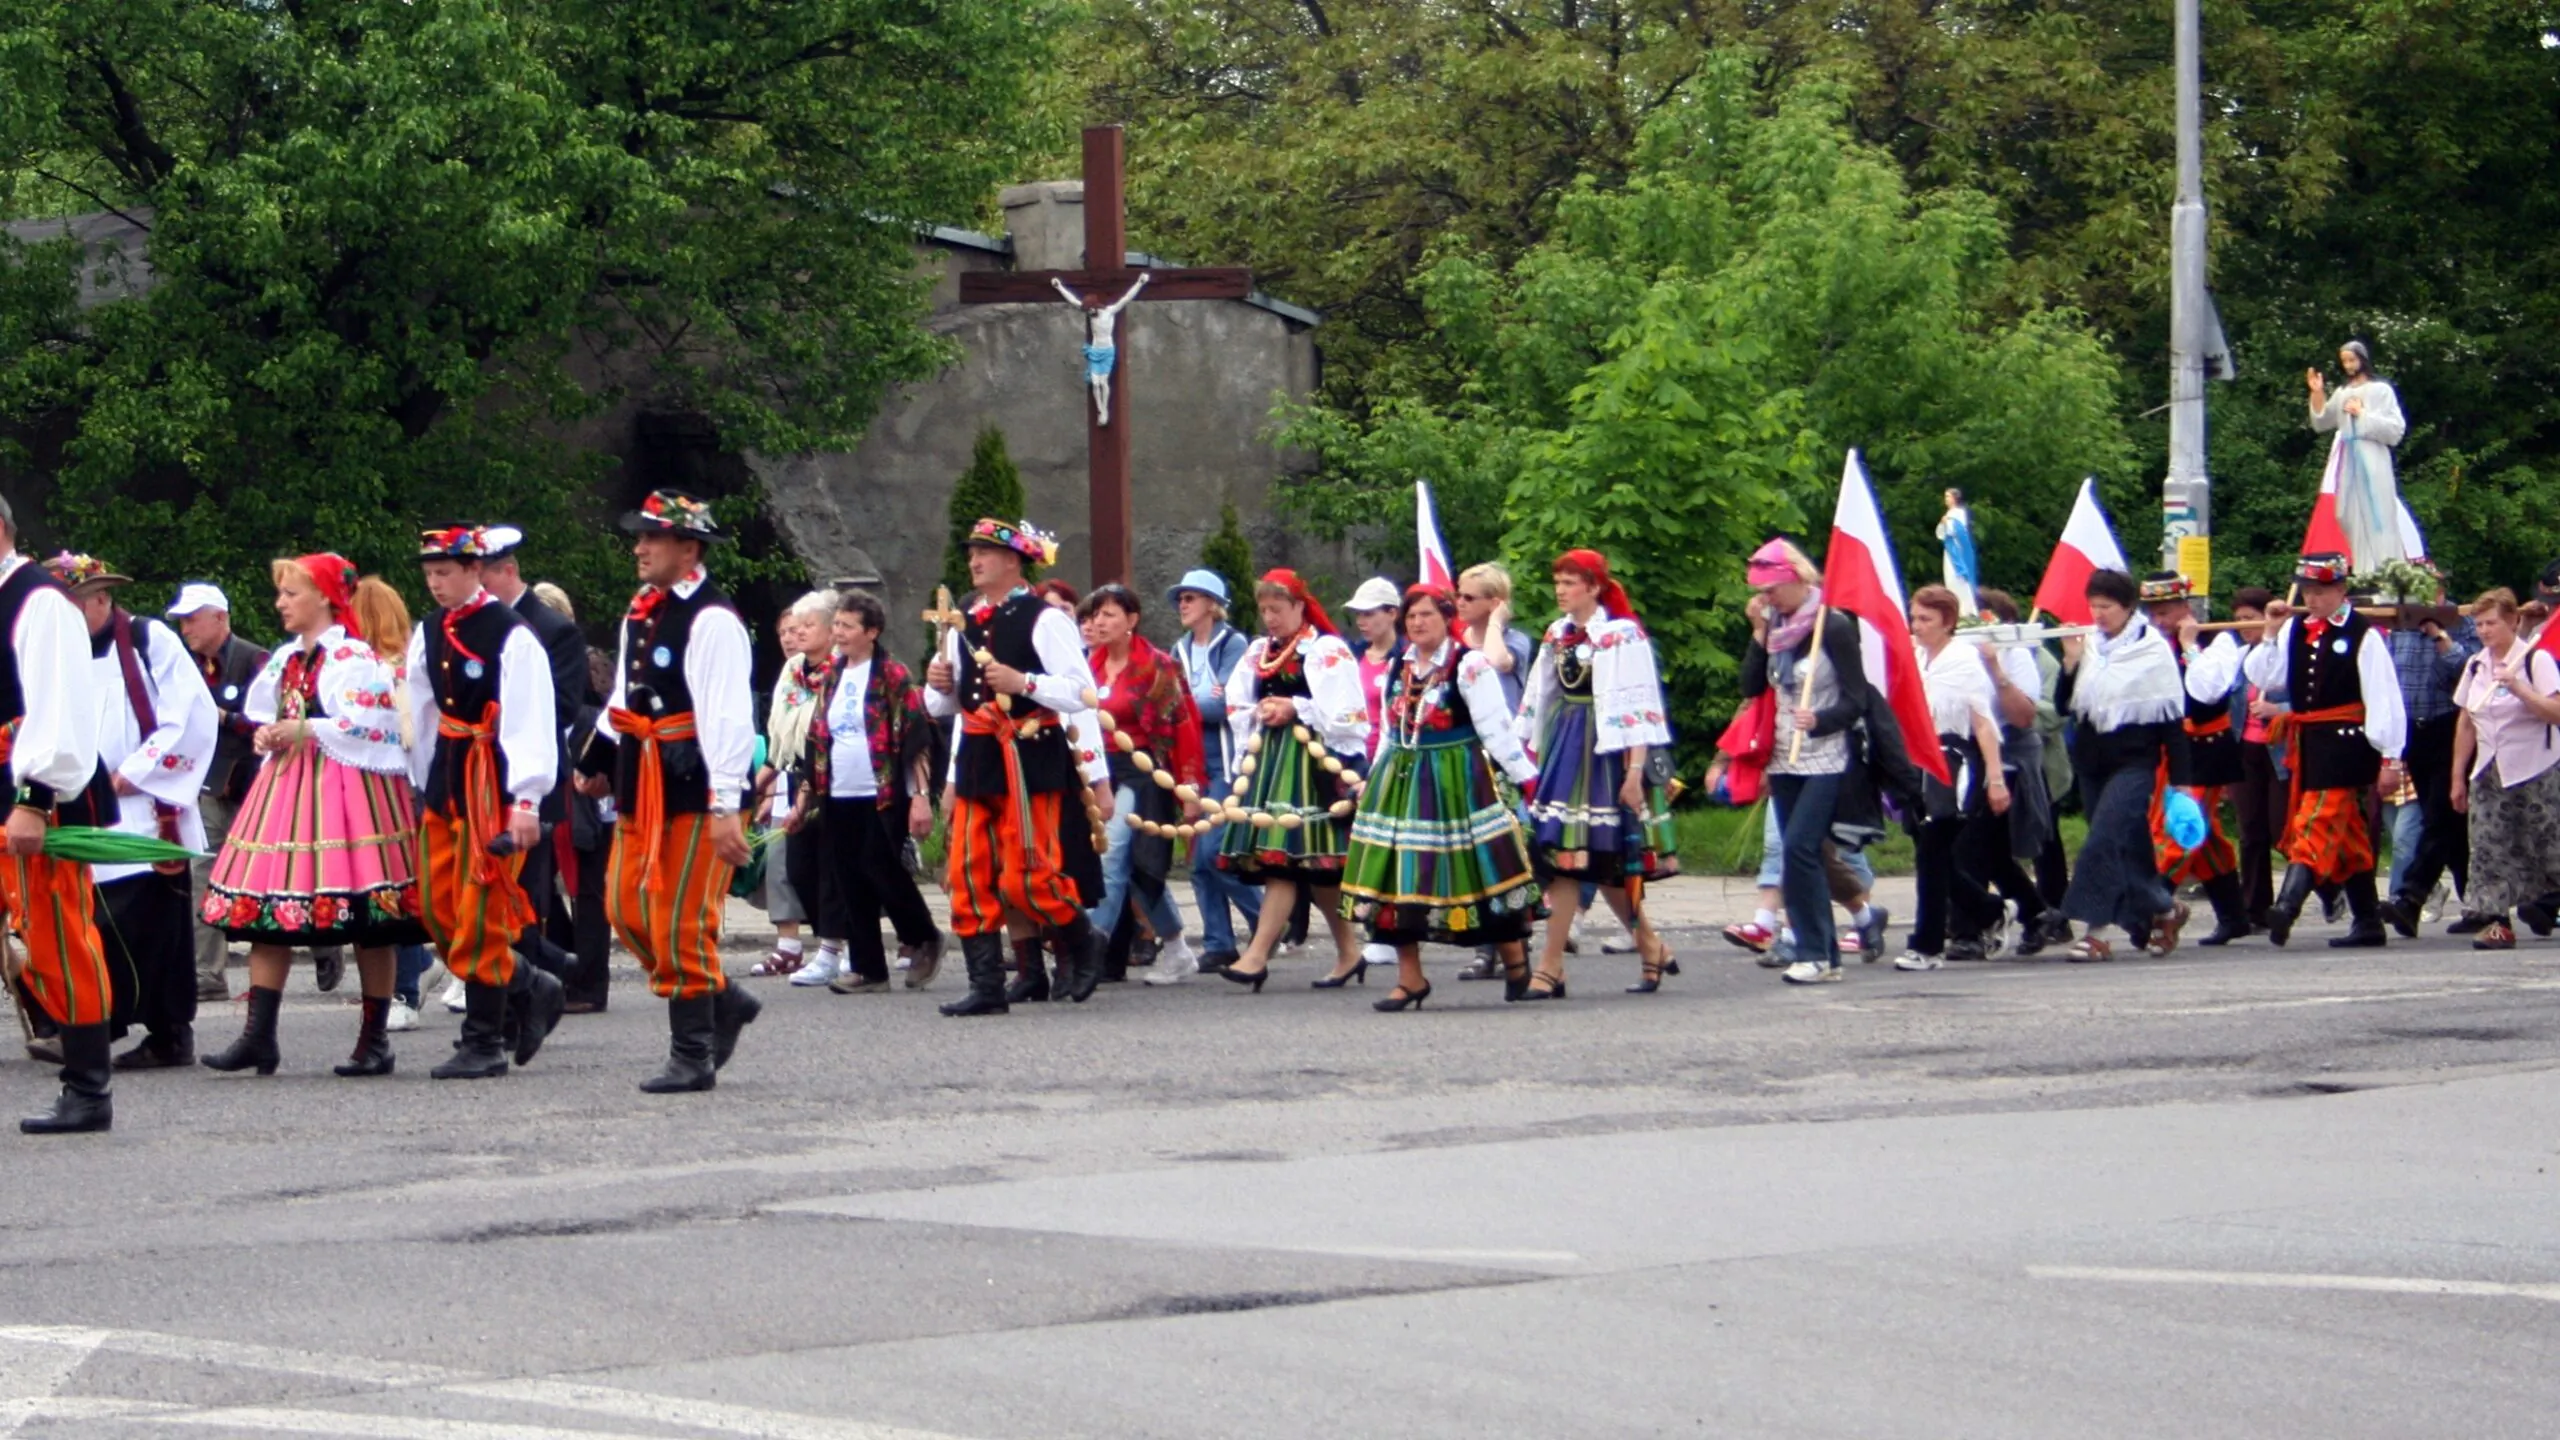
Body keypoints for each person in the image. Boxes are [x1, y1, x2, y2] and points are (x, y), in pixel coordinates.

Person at [199, 553, 429, 1077]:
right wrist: (268, 731)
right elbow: (270, 711)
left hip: (348, 790)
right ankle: (259, 1036)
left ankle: (374, 1041)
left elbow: (371, 725)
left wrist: (304, 730)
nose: (280, 603)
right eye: (281, 593)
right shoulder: (288, 658)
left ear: (325, 597)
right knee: (269, 908)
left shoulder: (352, 657)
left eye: (291, 593)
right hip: (290, 788)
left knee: (371, 916)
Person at [572, 489, 760, 1089]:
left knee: (680, 921)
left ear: (689, 548)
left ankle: (693, 1053)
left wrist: (726, 804)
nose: (640, 547)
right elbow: (626, 699)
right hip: (640, 779)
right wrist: (596, 755)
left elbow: (728, 717)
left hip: (691, 786)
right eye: (641, 535)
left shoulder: (712, 620)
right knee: (625, 910)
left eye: (653, 537)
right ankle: (721, 996)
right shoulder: (642, 609)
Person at [923, 518, 1109, 1014]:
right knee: (967, 872)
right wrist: (937, 684)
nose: (974, 561)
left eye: (984, 552)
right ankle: (985, 986)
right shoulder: (962, 615)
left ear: (1013, 560)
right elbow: (945, 708)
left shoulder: (1044, 619)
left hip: (1030, 755)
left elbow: (1079, 692)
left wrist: (1023, 681)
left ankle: (1083, 937)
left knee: (1026, 875)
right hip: (980, 755)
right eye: (971, 552)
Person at [402, 526, 565, 1080]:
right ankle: (529, 982)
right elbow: (420, 709)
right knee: (438, 908)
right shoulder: (429, 630)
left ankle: (484, 1040)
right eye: (429, 575)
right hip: (448, 778)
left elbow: (528, 718)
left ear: (476, 570)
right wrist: (419, 776)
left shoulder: (511, 634)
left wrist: (526, 799)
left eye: (445, 573)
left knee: (479, 913)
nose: (436, 584)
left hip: (491, 784)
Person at [46, 554, 215, 1073]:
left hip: (143, 809)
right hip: (81, 807)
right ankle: (93, 1023)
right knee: (89, 921)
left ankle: (167, 1033)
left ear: (101, 598)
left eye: (72, 607)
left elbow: (189, 714)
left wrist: (133, 774)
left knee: (151, 927)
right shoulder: (55, 654)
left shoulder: (147, 640)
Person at [1340, 584, 1543, 1008]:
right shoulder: (1399, 667)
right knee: (1395, 879)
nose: (1417, 623)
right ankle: (1410, 978)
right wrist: (1371, 780)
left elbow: (1495, 727)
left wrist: (1528, 780)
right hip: (1400, 785)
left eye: (1427, 614)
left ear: (1446, 618)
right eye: (1411, 615)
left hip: (1458, 784)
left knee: (1483, 874)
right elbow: (1387, 733)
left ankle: (1514, 959)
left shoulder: (1467, 665)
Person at [1, 504, 122, 1133]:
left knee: (55, 937)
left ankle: (88, 1088)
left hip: (28, 793)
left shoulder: (39, 601)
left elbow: (58, 706)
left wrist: (35, 798)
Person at [1517, 549, 1678, 997]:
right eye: (1559, 583)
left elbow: (1639, 705)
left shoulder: (1621, 635)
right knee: (1579, 858)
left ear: (1593, 587)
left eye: (1569, 583)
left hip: (1606, 753)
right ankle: (1649, 947)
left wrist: (1634, 772)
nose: (1561, 591)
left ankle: (1551, 968)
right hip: (1568, 744)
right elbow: (1540, 694)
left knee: (1585, 857)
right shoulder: (1558, 633)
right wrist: (1524, 751)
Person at [1213, 569, 1369, 989]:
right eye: (1264, 610)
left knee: (1284, 860)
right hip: (1273, 761)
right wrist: (1260, 712)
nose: (1269, 617)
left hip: (1309, 765)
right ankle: (1350, 952)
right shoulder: (1261, 650)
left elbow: (1349, 715)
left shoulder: (1325, 649)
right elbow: (1237, 700)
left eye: (1277, 609)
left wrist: (1296, 708)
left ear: (1300, 607)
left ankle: (1256, 956)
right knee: (1316, 869)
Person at [2244, 553, 2409, 947]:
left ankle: (2287, 906)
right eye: (2307, 591)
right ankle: (2368, 920)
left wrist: (2391, 756)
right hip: (2311, 745)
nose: (2312, 599)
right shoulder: (2295, 630)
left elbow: (2384, 698)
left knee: (2314, 822)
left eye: (2320, 591)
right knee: (2348, 836)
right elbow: (2264, 676)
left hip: (2349, 747)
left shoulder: (2363, 634)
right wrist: (2269, 631)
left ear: (2341, 589)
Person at [1739, 540, 1885, 985]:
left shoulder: (1833, 627)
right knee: (1802, 854)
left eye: (1773, 590)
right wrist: (1759, 634)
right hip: (1784, 756)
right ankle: (1825, 955)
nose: (1768, 599)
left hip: (1826, 755)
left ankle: (1813, 951)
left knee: (1802, 846)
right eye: (1762, 593)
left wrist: (1820, 718)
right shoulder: (1777, 630)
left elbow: (1858, 698)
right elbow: (1750, 685)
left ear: (1799, 581)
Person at [2052, 569, 2193, 962]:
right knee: (2128, 849)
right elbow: (2065, 705)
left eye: (2106, 607)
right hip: (2093, 759)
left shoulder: (2153, 650)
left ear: (2128, 607)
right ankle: (2166, 910)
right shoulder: (2091, 647)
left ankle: (2095, 932)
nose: (2098, 615)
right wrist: (2071, 664)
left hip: (2135, 761)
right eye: (2093, 606)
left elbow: (2171, 718)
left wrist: (2182, 782)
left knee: (2102, 840)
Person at [1077, 584, 1207, 985]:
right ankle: (1176, 947)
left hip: (1143, 772)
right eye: (1096, 614)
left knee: (1112, 856)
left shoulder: (1158, 666)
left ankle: (1088, 952)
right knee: (1138, 871)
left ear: (1132, 620)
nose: (1100, 621)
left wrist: (1189, 788)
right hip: (1097, 772)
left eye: (1110, 614)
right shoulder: (1087, 664)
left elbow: (1184, 727)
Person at [815, 589, 943, 993]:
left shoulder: (892, 675)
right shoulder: (833, 673)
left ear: (872, 631)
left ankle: (923, 934)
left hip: (881, 790)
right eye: (836, 624)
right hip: (837, 791)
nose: (838, 633)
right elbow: (818, 734)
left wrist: (919, 796)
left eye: (847, 626)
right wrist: (807, 791)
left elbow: (915, 738)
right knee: (849, 877)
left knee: (880, 867)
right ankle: (869, 969)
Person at [476, 527, 588, 987]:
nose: (477, 591)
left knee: (524, 889)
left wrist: (486, 720)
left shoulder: (551, 628)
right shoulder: (477, 623)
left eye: (483, 578)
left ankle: (528, 984)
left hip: (528, 774)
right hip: (478, 774)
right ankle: (528, 975)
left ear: (509, 571)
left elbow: (561, 705)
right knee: (486, 886)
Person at [1892, 585, 2014, 971]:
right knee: (1932, 853)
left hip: (1953, 758)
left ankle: (1926, 945)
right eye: (1914, 618)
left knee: (1932, 848)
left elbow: (1982, 720)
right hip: (1917, 761)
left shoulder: (1964, 661)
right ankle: (1990, 908)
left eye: (1926, 619)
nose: (1917, 626)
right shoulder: (1912, 657)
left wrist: (1995, 778)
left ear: (1947, 622)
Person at [169, 583, 273, 1002]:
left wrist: (224, 718)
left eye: (193, 618)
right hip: (210, 785)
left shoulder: (255, 659)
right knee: (203, 873)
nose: (185, 627)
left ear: (220, 617)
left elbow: (271, 722)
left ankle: (321, 946)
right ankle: (207, 971)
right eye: (182, 620)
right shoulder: (185, 664)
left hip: (256, 785)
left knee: (270, 876)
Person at [2145, 573, 2255, 947]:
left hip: (2205, 747)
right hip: (2172, 747)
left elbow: (2209, 690)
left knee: (2181, 827)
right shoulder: (2153, 644)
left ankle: (2152, 905)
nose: (2160, 621)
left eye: (2165, 612)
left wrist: (2189, 645)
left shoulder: (2218, 640)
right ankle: (2233, 915)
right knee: (2207, 840)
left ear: (2184, 606)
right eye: (2154, 614)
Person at [2449, 589, 2560, 950]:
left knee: (2547, 845)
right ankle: (2496, 921)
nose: (2484, 630)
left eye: (2491, 622)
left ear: (2512, 621)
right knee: (2487, 846)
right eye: (2478, 624)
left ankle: (2547, 904)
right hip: (2489, 769)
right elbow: (2467, 720)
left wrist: (2519, 689)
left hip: (2535, 767)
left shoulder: (2534, 660)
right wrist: (2458, 775)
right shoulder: (2476, 665)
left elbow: (2554, 712)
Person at [2378, 573, 2479, 938]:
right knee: (2451, 827)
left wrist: (2438, 636)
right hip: (2412, 734)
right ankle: (2478, 904)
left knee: (2438, 817)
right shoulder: (2397, 630)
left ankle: (2410, 897)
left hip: (2449, 728)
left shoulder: (2462, 623)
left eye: (2428, 589)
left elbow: (2468, 671)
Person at [1170, 570, 1259, 968]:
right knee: (1197, 859)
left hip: (1225, 763)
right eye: (1181, 599)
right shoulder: (1179, 649)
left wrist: (1188, 706)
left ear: (1211, 603)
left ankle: (1266, 923)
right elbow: (1179, 703)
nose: (1182, 605)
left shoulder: (1234, 643)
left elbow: (1227, 706)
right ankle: (1219, 941)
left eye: (1190, 597)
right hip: (1191, 765)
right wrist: (1197, 703)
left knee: (1213, 850)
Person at [1977, 588, 2070, 955]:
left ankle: (2051, 912)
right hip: (1987, 758)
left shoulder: (2036, 658)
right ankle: (2033, 915)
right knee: (1993, 847)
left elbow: (2048, 711)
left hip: (2037, 761)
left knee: (2042, 840)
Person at [757, 593, 844, 985]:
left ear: (830, 629)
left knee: (838, 865)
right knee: (798, 866)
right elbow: (780, 738)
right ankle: (825, 944)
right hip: (797, 775)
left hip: (838, 777)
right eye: (791, 628)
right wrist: (757, 786)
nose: (797, 634)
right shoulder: (793, 669)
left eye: (806, 626)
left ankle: (841, 948)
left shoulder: (844, 667)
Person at [1341, 577, 1405, 981]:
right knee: (1361, 848)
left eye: (1370, 613)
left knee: (1391, 848)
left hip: (1395, 761)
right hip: (1356, 761)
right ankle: (1373, 927)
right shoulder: (1352, 657)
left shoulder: (1407, 658)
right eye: (1358, 615)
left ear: (1391, 614)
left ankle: (1389, 931)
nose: (1362, 622)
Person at [2306, 340, 2409, 570]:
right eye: (2344, 361)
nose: (2349, 365)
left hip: (2373, 456)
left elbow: (2395, 430)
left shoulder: (2381, 390)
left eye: (2352, 360)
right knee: (2346, 513)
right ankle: (2364, 571)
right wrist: (2317, 393)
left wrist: (2363, 414)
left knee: (2378, 514)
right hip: (2349, 458)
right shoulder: (2343, 393)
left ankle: (2386, 571)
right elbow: (2322, 421)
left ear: (2363, 360)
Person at [2226, 588, 2290, 930]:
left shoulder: (2288, 654)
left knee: (2282, 829)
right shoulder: (2238, 659)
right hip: (2245, 750)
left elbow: (2311, 701)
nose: (2243, 625)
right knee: (2250, 830)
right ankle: (2255, 908)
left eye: (2250, 618)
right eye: (2238, 619)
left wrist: (2278, 709)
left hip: (2279, 750)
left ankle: (2324, 886)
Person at [1455, 563, 1538, 714]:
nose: (1460, 603)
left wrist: (1495, 620)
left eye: (1468, 598)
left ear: (1494, 603)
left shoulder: (1515, 639)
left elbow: (1496, 662)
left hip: (1504, 731)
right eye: (1458, 595)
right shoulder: (1456, 639)